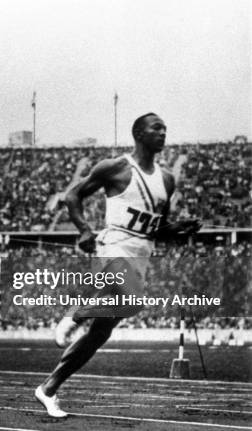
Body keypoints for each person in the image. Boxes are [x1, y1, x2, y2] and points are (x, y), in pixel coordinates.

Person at [35, 113, 201, 417]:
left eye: (165, 128)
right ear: (138, 133)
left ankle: (48, 389)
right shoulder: (116, 167)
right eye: (156, 128)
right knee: (130, 295)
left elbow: (155, 229)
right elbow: (73, 195)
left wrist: (178, 228)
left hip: (141, 253)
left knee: (100, 334)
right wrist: (84, 230)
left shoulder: (167, 179)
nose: (163, 133)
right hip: (114, 244)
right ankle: (73, 315)